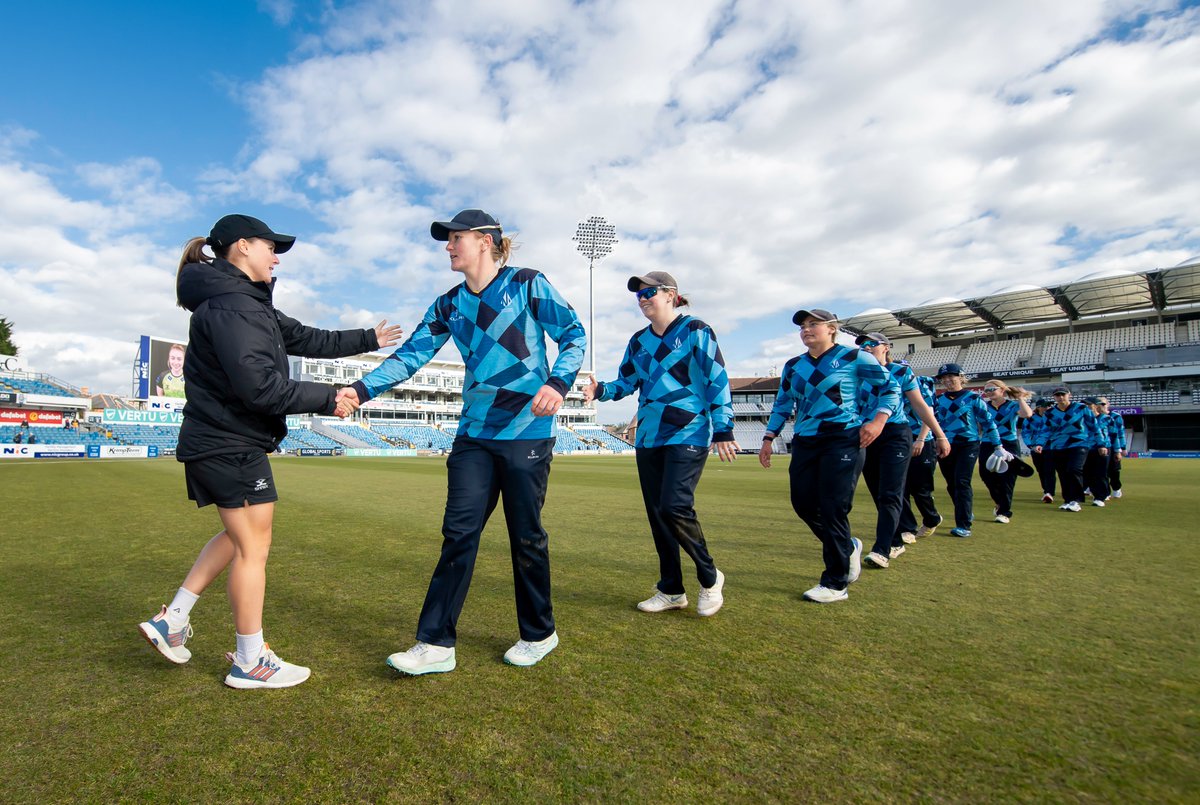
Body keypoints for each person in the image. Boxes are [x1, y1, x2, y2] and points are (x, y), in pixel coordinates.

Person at [137, 214, 403, 689]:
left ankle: (172, 620)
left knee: (236, 539)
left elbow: (304, 338)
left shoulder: (243, 303)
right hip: (230, 443)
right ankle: (250, 661)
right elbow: (260, 389)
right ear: (241, 247)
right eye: (270, 246)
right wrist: (331, 397)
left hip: (224, 441)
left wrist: (367, 340)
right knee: (253, 549)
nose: (276, 256)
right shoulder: (233, 308)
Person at [339, 209, 586, 674]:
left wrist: (557, 384)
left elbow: (573, 334)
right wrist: (361, 389)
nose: (449, 246)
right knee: (458, 535)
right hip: (473, 435)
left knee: (526, 537)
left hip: (526, 432)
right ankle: (435, 643)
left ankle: (539, 633)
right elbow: (411, 356)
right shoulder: (448, 304)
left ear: (486, 242)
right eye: (447, 239)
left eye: (456, 238)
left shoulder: (529, 283)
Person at [585, 271, 736, 616]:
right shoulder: (638, 341)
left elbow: (717, 378)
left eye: (649, 292)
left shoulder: (696, 330)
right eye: (638, 295)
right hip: (649, 437)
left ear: (671, 295)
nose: (642, 299)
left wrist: (724, 428)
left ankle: (710, 577)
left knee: (674, 507)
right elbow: (626, 382)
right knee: (658, 515)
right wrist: (600, 391)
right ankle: (671, 589)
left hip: (689, 431)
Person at [759, 308, 899, 603]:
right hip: (806, 440)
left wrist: (878, 421)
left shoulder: (855, 356)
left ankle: (836, 583)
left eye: (814, 324)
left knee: (833, 507)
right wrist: (769, 437)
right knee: (803, 504)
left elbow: (890, 387)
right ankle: (847, 547)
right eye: (803, 326)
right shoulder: (793, 365)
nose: (807, 329)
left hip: (844, 438)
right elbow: (783, 403)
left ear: (832, 329)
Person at [853, 333, 950, 569]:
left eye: (871, 344)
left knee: (891, 492)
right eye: (862, 345)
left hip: (895, 433)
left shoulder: (901, 371)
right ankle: (895, 541)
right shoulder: (856, 373)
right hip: (866, 435)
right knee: (878, 492)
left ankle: (882, 549)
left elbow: (920, 405)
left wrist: (939, 435)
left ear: (885, 347)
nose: (865, 348)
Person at [932, 364, 999, 537]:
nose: (947, 380)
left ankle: (964, 524)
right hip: (945, 445)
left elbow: (987, 422)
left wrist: (997, 445)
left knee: (962, 482)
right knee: (951, 485)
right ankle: (966, 511)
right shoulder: (938, 400)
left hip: (968, 444)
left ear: (961, 377)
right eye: (943, 378)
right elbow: (933, 423)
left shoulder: (973, 398)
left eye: (951, 376)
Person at [1030, 387, 1102, 513]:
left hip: (1078, 443)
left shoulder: (1081, 408)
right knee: (1063, 473)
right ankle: (1067, 500)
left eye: (1063, 394)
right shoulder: (1050, 413)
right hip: (1058, 446)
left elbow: (1094, 427)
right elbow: (1045, 431)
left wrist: (1102, 444)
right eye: (1057, 395)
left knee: (1074, 469)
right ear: (1054, 397)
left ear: (1069, 395)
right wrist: (1039, 444)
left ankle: (1076, 500)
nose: (1060, 397)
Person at [896, 370, 948, 542]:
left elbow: (927, 412)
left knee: (920, 488)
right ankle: (907, 528)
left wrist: (921, 439)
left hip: (922, 440)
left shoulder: (919, 384)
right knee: (900, 487)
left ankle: (931, 517)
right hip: (900, 438)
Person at [977, 380, 1033, 524]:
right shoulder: (984, 406)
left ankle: (1004, 512)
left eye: (992, 389)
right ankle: (1000, 503)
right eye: (986, 390)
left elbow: (1027, 414)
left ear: (1002, 390)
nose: (988, 393)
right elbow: (979, 426)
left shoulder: (1012, 405)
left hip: (1009, 443)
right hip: (988, 443)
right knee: (986, 474)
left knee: (1007, 479)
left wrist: (1020, 397)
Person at [1023, 398, 1057, 503]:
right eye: (1045, 406)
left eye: (1049, 406)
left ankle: (1049, 492)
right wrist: (1030, 445)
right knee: (1041, 471)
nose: (1048, 408)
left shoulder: (1053, 417)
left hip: (1050, 447)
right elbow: (1025, 433)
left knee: (1049, 470)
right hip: (1035, 449)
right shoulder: (1030, 419)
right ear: (1038, 407)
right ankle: (1046, 490)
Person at [1082, 397, 1112, 506]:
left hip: (1101, 448)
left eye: (1088, 405)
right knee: (1087, 473)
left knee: (1100, 473)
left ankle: (1100, 497)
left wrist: (1117, 449)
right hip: (1086, 448)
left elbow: (1112, 434)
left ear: (1095, 405)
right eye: (1085, 405)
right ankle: (1095, 494)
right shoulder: (1082, 419)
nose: (1086, 407)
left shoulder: (1105, 418)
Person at [1098, 397, 1127, 497]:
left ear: (1108, 404)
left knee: (1114, 470)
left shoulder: (1115, 416)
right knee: (1100, 470)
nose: (1101, 406)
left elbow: (1120, 432)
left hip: (1113, 446)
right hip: (1100, 446)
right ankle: (1103, 491)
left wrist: (1121, 448)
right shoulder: (1094, 416)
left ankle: (1116, 487)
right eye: (1098, 404)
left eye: (1103, 404)